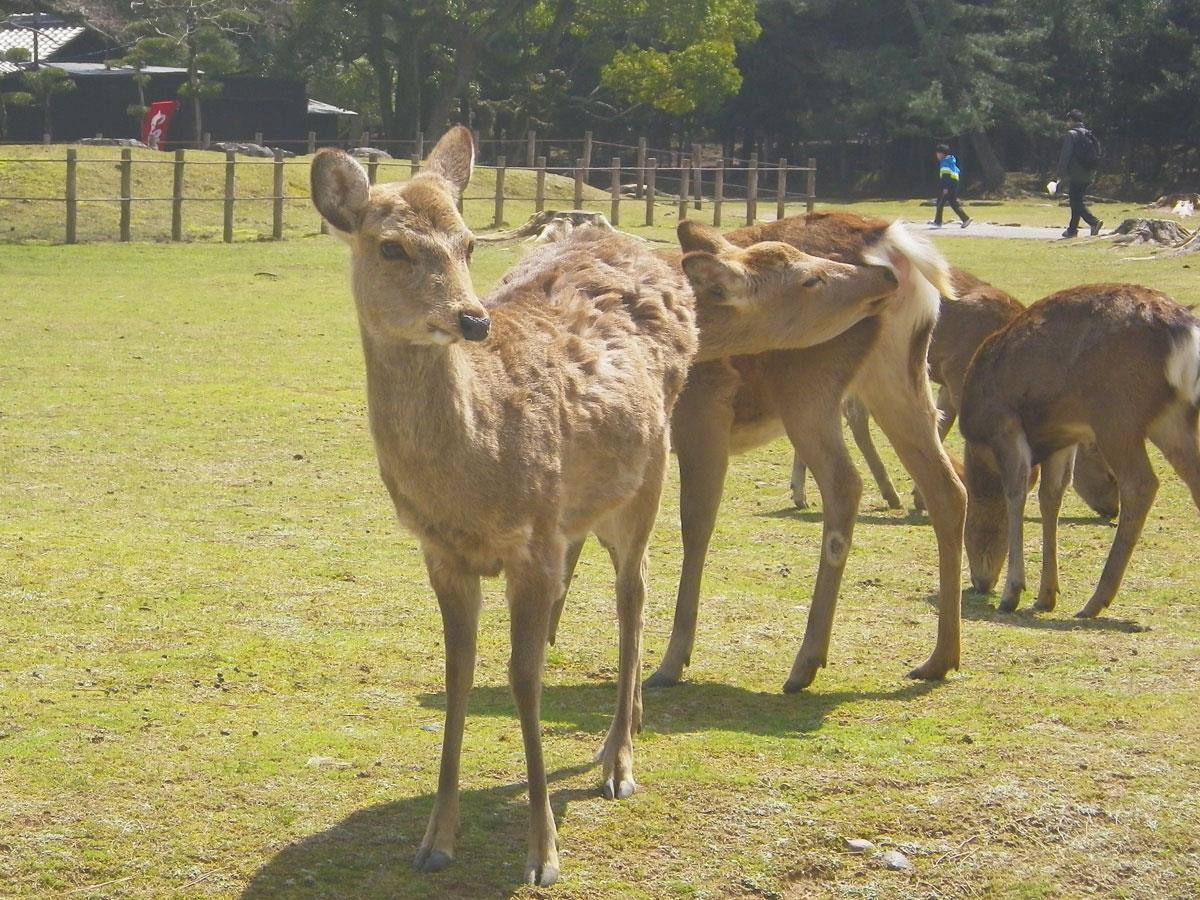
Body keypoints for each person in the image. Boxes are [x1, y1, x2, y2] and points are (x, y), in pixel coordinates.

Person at [1055, 110, 1103, 238]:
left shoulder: (1072, 134)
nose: (1066, 123)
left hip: (1077, 173)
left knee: (1075, 201)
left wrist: (1060, 173)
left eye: (1067, 120)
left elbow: (1065, 155)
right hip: (1089, 172)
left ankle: (1094, 222)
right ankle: (1072, 230)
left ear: (1071, 120)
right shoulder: (1089, 134)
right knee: (1076, 200)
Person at [928, 143, 971, 229]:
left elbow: (946, 176)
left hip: (949, 186)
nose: (937, 155)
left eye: (937, 153)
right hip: (954, 185)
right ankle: (965, 219)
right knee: (953, 203)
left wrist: (946, 188)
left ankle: (938, 222)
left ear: (941, 154)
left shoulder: (945, 163)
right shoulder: (950, 161)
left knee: (940, 203)